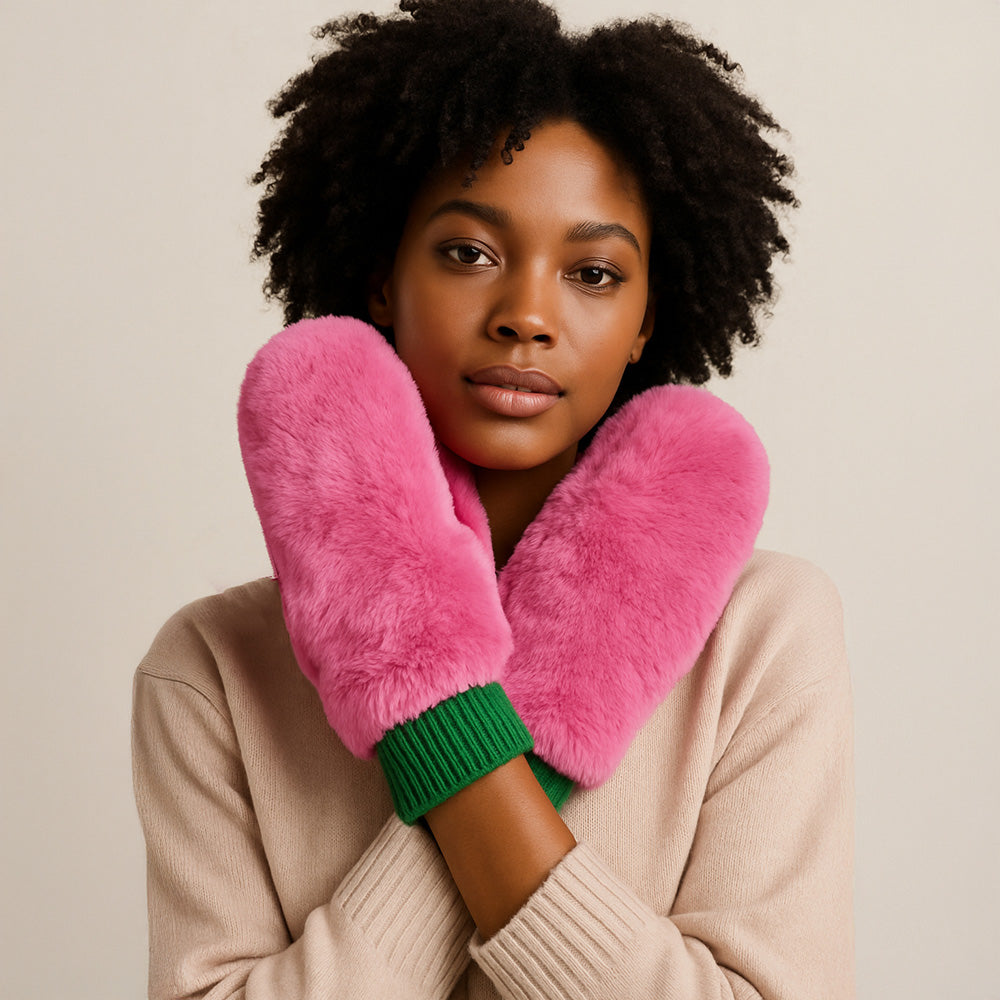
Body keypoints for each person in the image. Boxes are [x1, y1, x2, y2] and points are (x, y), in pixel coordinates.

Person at [131, 2, 854, 998]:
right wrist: (406, 655)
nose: (526, 315)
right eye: (468, 252)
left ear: (647, 320)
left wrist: (449, 727)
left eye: (593, 272)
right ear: (381, 279)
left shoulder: (763, 638)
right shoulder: (213, 670)